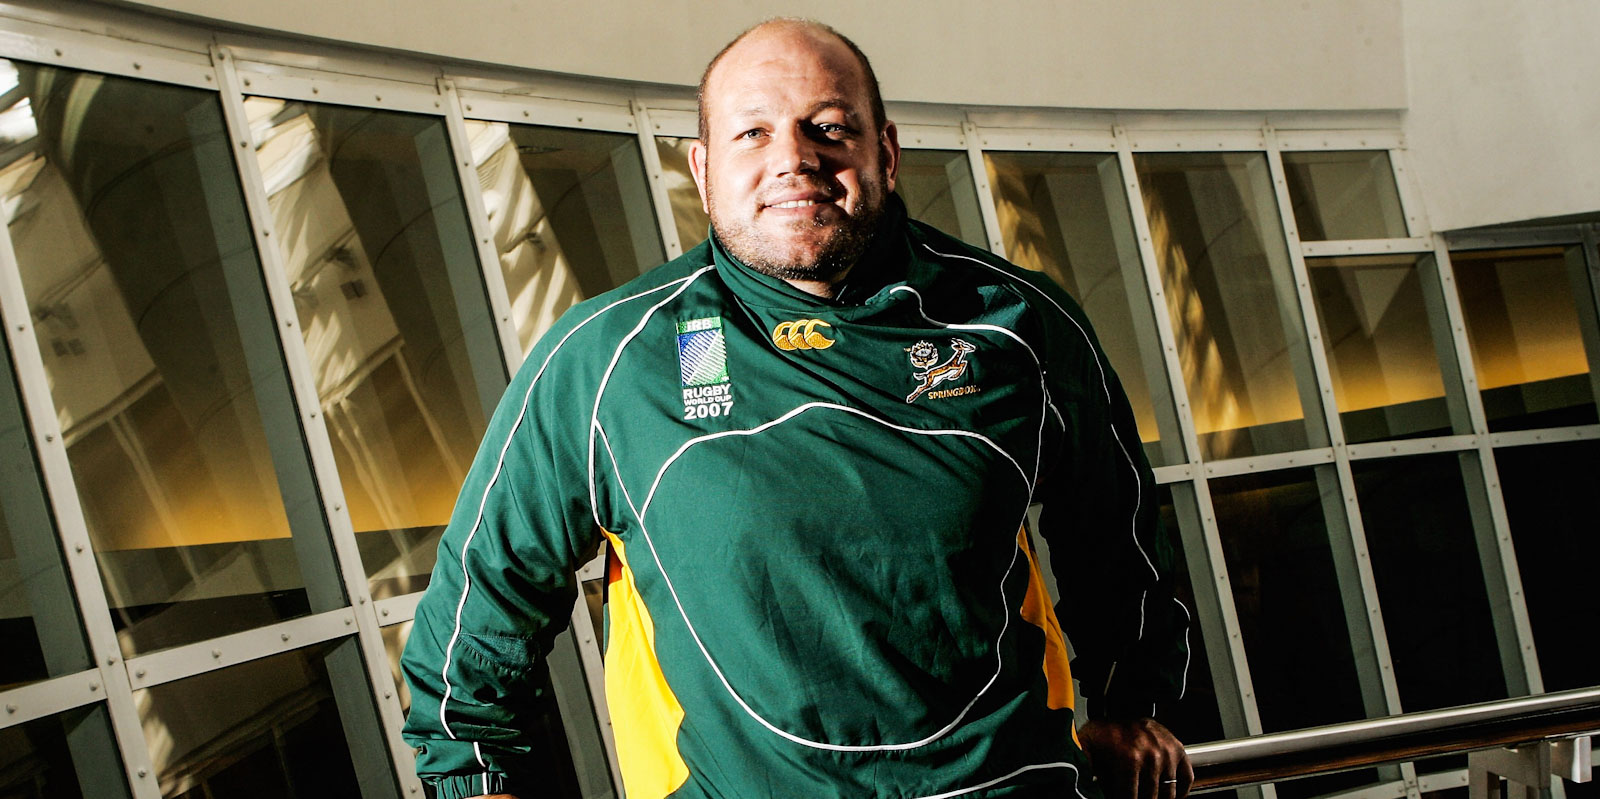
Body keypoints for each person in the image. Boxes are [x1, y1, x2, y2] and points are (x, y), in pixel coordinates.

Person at [401, 18, 1193, 799]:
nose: (794, 159)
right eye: (753, 133)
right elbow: (481, 598)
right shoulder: (612, 358)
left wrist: (1133, 705)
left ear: (885, 152)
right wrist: (475, 778)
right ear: (702, 168)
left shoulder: (1014, 321)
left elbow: (1116, 532)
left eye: (829, 127)